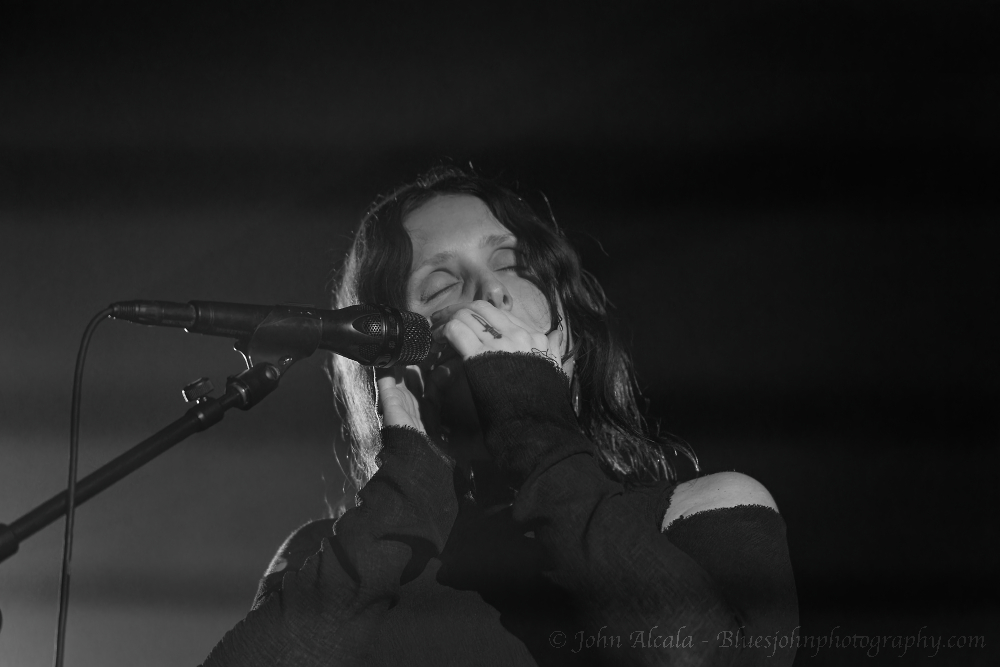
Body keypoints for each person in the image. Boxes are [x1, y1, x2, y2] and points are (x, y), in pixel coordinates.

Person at [201, 166, 798, 666]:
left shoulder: (704, 509)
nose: (492, 292)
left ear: (564, 319)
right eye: (440, 288)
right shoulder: (338, 555)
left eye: (512, 262)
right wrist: (409, 479)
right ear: (400, 354)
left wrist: (532, 422)